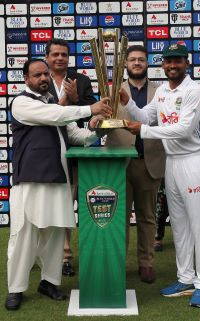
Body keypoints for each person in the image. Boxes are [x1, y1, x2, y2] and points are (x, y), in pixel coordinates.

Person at [5, 58, 111, 311]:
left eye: (45, 74)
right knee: (23, 236)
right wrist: (90, 109)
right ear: (26, 79)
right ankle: (16, 289)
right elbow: (56, 116)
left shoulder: (53, 103)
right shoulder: (21, 103)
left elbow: (74, 134)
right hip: (30, 181)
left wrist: (97, 129)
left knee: (53, 235)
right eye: (37, 75)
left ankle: (49, 282)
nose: (43, 78)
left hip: (58, 178)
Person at [120, 43, 200, 308]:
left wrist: (144, 131)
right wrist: (129, 106)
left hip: (194, 161)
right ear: (163, 64)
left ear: (186, 63)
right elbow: (145, 116)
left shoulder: (195, 90)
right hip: (172, 162)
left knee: (199, 226)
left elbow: (183, 130)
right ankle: (185, 278)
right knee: (180, 225)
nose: (172, 66)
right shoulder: (161, 91)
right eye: (168, 61)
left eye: (178, 61)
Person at [105, 45, 166, 283]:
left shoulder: (160, 92)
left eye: (141, 59)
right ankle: (118, 263)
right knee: (119, 218)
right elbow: (103, 115)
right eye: (133, 60)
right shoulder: (112, 89)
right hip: (119, 162)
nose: (137, 63)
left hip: (148, 161)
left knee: (147, 217)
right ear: (126, 64)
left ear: (147, 63)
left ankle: (146, 263)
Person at [45, 38, 97, 277]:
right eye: (55, 54)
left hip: (75, 151)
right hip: (46, 154)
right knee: (47, 207)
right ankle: (45, 255)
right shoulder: (39, 80)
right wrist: (66, 102)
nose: (59, 58)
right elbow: (43, 115)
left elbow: (91, 112)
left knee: (70, 203)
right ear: (47, 58)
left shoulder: (81, 80)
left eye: (63, 54)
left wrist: (76, 99)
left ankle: (66, 256)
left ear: (68, 57)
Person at [154, 178, 169, 252]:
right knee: (160, 207)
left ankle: (186, 239)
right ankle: (158, 239)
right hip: (161, 174)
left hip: (181, 172)